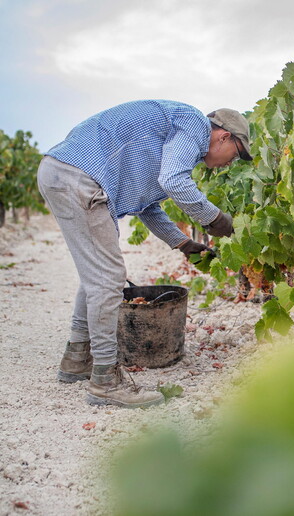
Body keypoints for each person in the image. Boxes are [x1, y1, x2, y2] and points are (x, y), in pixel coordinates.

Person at [37, 99, 252, 409]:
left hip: (63, 172)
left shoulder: (170, 144)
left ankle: (76, 359)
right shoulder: (194, 124)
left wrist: (183, 243)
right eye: (236, 154)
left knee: (96, 275)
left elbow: (148, 206)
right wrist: (216, 219)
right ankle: (105, 381)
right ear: (223, 136)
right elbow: (174, 182)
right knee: (108, 279)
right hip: (79, 177)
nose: (231, 163)